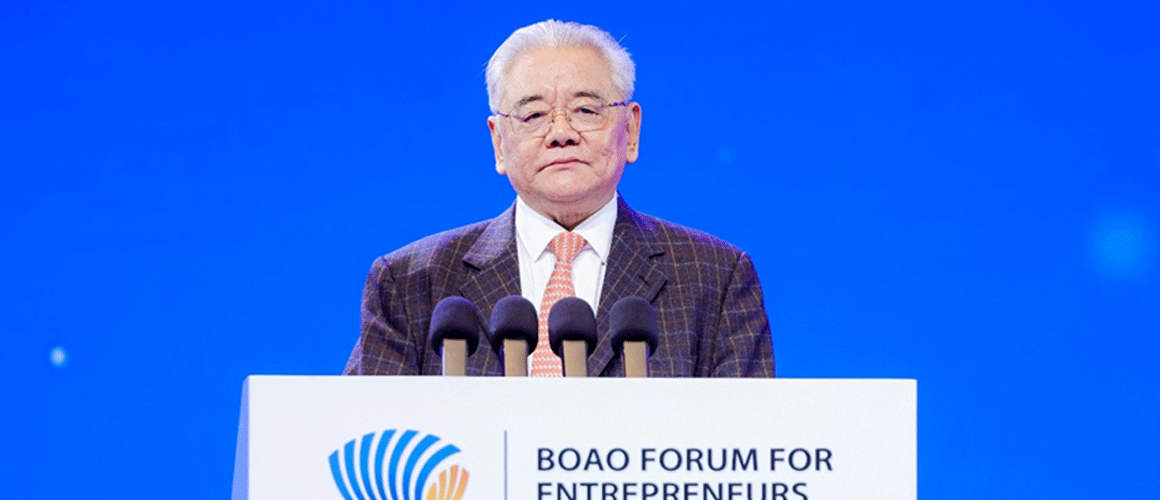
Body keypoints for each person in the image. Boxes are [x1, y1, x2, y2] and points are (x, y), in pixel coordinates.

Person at [344, 20, 774, 377]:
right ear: (498, 142)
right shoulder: (409, 283)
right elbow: (365, 437)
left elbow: (749, 441)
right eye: (533, 115)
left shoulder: (716, 278)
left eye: (586, 110)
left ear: (631, 130)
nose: (561, 132)